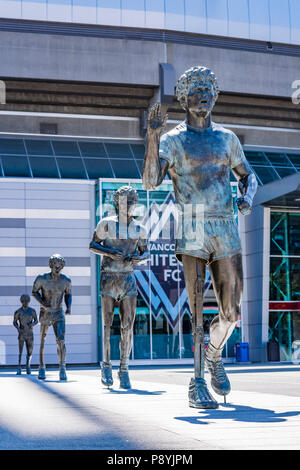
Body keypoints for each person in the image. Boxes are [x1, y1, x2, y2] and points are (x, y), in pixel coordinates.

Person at [143, 66, 257, 408]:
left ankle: (214, 355)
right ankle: (195, 383)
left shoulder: (227, 138)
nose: (204, 95)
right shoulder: (172, 140)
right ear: (183, 98)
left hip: (225, 224)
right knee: (195, 310)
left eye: (209, 89)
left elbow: (248, 176)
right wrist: (151, 137)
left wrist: (246, 198)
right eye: (197, 90)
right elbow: (150, 182)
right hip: (192, 222)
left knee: (232, 311)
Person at [90, 185, 149, 389]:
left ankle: (124, 368)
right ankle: (106, 365)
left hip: (128, 278)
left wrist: (137, 258)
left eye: (133, 202)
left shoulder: (140, 228)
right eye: (126, 202)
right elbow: (92, 245)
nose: (130, 206)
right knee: (107, 326)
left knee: (128, 326)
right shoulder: (106, 224)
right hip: (108, 277)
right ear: (117, 203)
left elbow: (146, 252)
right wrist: (108, 252)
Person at [32, 254, 72, 381]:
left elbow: (68, 294)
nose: (58, 266)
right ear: (51, 264)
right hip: (46, 313)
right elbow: (34, 292)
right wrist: (42, 303)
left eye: (60, 264)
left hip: (58, 312)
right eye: (55, 263)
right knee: (43, 340)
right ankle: (42, 367)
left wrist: (68, 307)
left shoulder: (66, 280)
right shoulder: (42, 279)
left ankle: (62, 368)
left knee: (61, 340)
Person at [13, 294, 38, 375]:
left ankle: (28, 366)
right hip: (22, 334)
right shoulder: (18, 311)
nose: (25, 302)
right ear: (21, 301)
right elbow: (14, 322)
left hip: (30, 334)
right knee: (20, 351)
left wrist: (33, 324)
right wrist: (18, 328)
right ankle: (19, 366)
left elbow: (36, 320)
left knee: (30, 351)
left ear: (29, 301)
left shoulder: (32, 311)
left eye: (27, 301)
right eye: (24, 301)